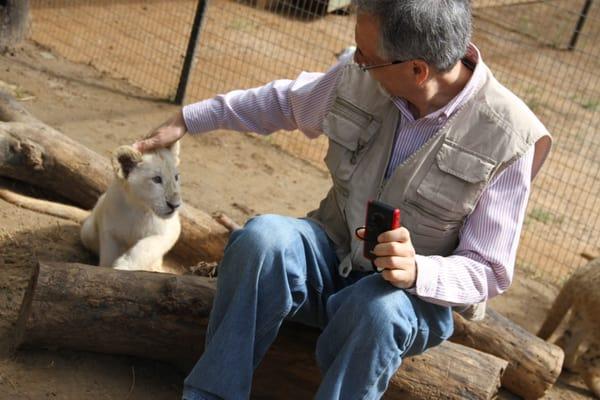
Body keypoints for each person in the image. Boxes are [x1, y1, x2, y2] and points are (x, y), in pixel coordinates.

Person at [134, 0, 552, 398]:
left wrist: (417, 271)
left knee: (377, 312)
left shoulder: (509, 139)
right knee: (263, 240)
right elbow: (284, 102)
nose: (357, 61)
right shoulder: (361, 73)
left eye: (367, 56)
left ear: (418, 70)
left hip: (405, 301)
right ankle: (211, 394)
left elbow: (488, 270)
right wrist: (189, 119)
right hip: (331, 256)